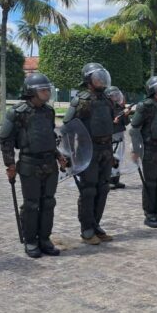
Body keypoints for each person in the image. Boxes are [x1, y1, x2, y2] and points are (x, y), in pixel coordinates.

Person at [0, 73, 67, 258]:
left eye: (47, 89)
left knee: (48, 202)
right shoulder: (17, 112)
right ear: (31, 92)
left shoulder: (48, 111)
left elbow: (49, 137)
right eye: (43, 90)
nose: (47, 93)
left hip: (49, 164)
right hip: (29, 163)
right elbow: (5, 139)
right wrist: (10, 164)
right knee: (31, 204)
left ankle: (44, 239)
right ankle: (30, 240)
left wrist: (58, 155)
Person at [63, 63, 116, 244]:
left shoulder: (107, 100)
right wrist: (69, 154)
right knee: (89, 190)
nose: (101, 80)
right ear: (88, 80)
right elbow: (68, 127)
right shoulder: (81, 101)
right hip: (88, 150)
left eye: (102, 76)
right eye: (97, 77)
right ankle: (86, 229)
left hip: (106, 150)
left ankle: (96, 225)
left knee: (103, 188)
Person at [130, 76, 157, 228]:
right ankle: (149, 213)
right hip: (150, 149)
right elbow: (134, 129)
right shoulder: (145, 106)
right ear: (152, 89)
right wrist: (136, 150)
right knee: (150, 183)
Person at [106, 86, 132, 190]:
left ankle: (115, 180)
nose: (116, 97)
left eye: (117, 95)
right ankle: (108, 180)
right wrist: (113, 121)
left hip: (120, 135)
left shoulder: (119, 107)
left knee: (119, 157)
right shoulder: (106, 107)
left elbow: (126, 123)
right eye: (114, 96)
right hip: (111, 136)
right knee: (112, 157)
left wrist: (126, 114)